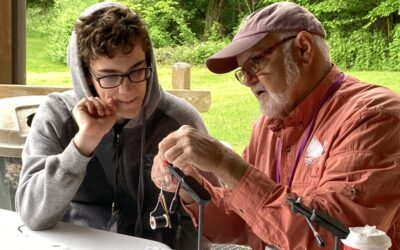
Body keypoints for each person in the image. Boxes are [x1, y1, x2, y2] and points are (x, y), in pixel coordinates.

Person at [151, 2, 400, 249]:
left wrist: (225, 162)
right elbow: (245, 220)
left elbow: (330, 239)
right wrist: (187, 184)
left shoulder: (373, 118)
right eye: (242, 71)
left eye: (255, 63)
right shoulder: (268, 126)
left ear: (303, 49)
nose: (248, 80)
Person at [15, 2, 219, 249]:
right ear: (87, 76)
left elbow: (218, 223)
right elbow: (32, 214)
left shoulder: (179, 121)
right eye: (110, 76)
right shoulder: (57, 115)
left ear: (149, 64)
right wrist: (83, 144)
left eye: (136, 71)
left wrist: (189, 190)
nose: (127, 91)